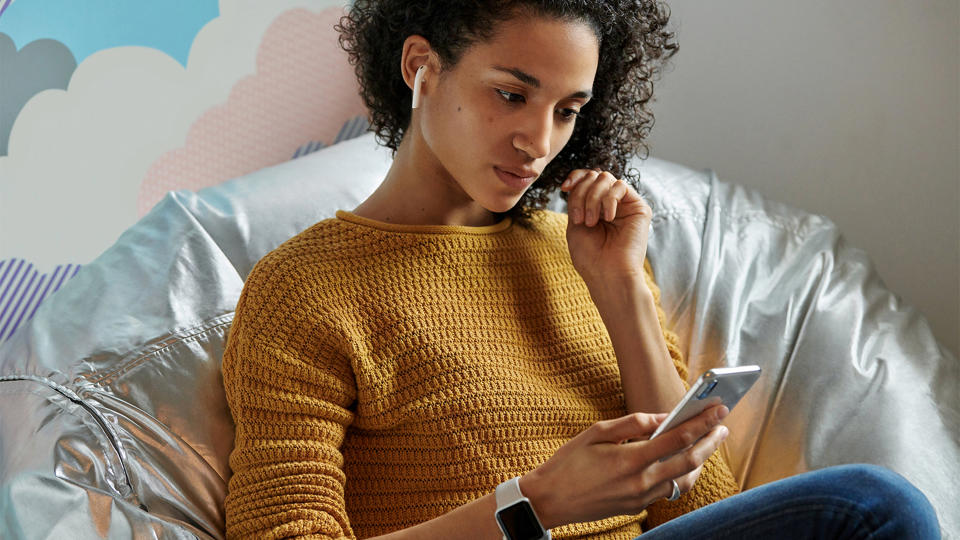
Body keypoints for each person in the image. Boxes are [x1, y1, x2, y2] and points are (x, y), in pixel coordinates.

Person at [220, 1, 941, 538]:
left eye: (567, 110)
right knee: (871, 509)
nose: (539, 141)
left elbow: (709, 513)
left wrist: (620, 290)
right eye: (512, 93)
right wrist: (534, 503)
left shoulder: (579, 253)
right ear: (421, 67)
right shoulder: (304, 289)